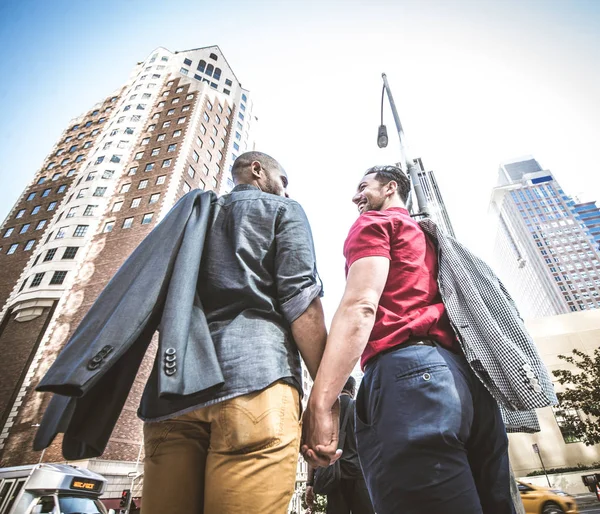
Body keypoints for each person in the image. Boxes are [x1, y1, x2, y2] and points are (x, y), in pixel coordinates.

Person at [301, 165, 552, 514]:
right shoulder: (432, 239)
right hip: (469, 387)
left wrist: (322, 403)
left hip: (410, 383)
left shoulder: (376, 224)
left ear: (390, 188)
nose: (356, 196)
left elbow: (360, 306)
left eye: (363, 187)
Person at [141, 152, 327, 514]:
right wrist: (326, 396)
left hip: (172, 395)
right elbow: (299, 298)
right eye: (283, 181)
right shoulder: (283, 210)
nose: (286, 191)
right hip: (257, 382)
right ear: (257, 170)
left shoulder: (190, 219)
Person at [306, 376, 375, 514]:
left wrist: (310, 484)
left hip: (334, 479)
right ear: (353, 390)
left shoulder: (327, 412)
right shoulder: (359, 409)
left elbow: (314, 448)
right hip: (359, 476)